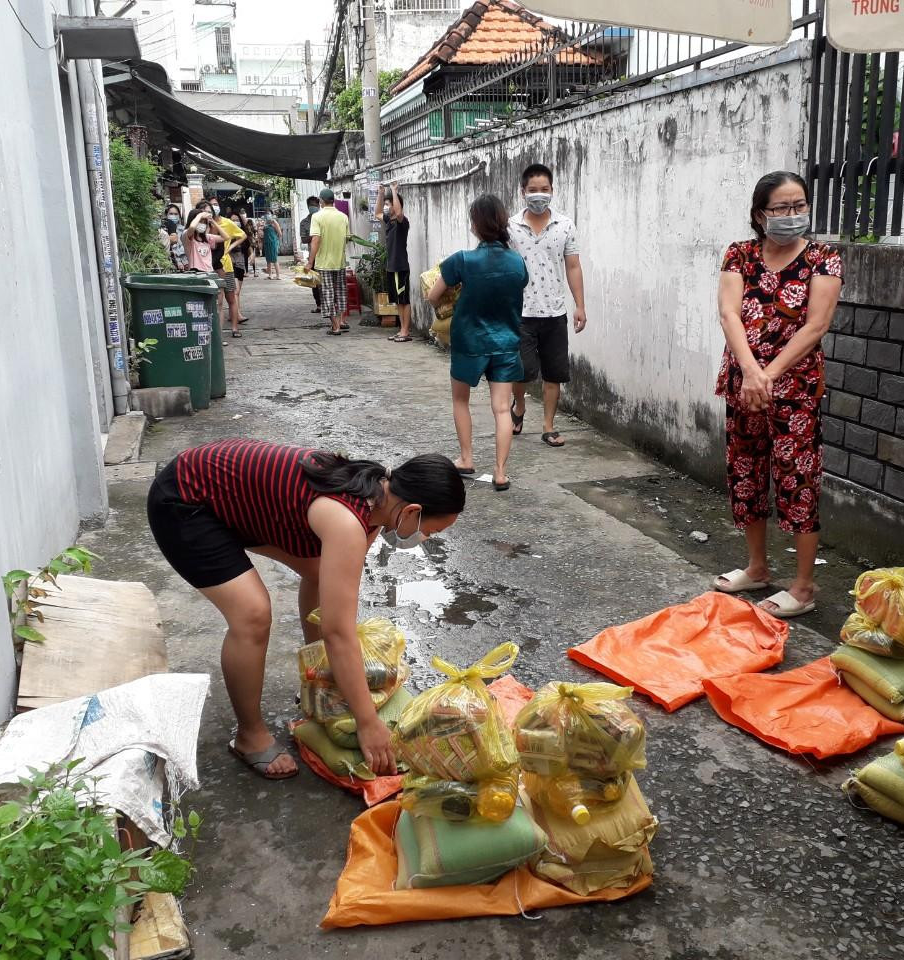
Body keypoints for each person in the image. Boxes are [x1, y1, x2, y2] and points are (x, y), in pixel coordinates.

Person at [147, 442, 466, 779]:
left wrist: (327, 681)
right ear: (412, 510)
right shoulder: (347, 521)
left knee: (319, 572)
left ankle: (317, 678)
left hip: (226, 498)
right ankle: (249, 736)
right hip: (185, 500)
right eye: (431, 531)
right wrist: (367, 721)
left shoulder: (377, 501)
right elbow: (338, 632)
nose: (425, 538)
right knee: (252, 615)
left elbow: (332, 599)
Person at [713, 171, 843, 619]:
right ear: (759, 214)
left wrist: (767, 374)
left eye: (799, 205)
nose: (792, 214)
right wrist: (751, 372)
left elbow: (816, 325)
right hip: (744, 385)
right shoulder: (740, 254)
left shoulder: (823, 258)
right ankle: (757, 567)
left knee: (797, 482)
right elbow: (729, 313)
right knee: (745, 474)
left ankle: (803, 587)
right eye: (782, 207)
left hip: (795, 390)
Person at [427, 194, 528, 492]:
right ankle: (500, 472)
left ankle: (467, 458)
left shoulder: (461, 260)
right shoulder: (517, 262)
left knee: (461, 401)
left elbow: (432, 296)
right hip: (505, 342)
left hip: (469, 341)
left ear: (475, 224)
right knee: (502, 409)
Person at [508, 163, 587, 449]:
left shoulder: (565, 225)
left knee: (554, 374)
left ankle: (549, 427)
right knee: (522, 371)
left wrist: (580, 305)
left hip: (555, 312)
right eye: (533, 190)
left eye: (544, 189)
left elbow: (573, 266)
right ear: (523, 192)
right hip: (521, 313)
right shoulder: (510, 227)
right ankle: (519, 405)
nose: (538, 195)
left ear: (552, 190)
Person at [306, 188, 351, 336]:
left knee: (327, 295)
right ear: (333, 201)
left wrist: (310, 262)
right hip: (340, 262)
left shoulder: (317, 217)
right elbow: (347, 238)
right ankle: (341, 321)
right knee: (340, 293)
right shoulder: (343, 217)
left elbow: (315, 240)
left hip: (324, 264)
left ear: (321, 201)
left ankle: (335, 326)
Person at [377, 181, 412, 343]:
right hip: (391, 267)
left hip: (400, 267)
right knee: (398, 302)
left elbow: (398, 213)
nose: (386, 207)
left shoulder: (402, 222)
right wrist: (380, 194)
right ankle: (401, 329)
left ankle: (405, 331)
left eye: (388, 204)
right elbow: (377, 213)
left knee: (404, 300)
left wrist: (394, 191)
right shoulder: (389, 221)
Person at [213, 198, 248, 335]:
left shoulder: (227, 223)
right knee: (219, 302)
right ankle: (219, 333)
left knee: (231, 298)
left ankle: (235, 328)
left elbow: (243, 235)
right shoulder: (205, 224)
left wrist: (230, 247)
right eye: (212, 205)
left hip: (226, 266)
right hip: (211, 266)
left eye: (216, 204)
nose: (214, 207)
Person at [182, 205, 223, 277]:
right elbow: (192, 227)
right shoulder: (187, 235)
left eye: (204, 222)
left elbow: (225, 237)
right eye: (200, 221)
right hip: (196, 272)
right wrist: (200, 215)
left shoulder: (206, 237)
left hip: (209, 271)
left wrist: (213, 221)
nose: (202, 224)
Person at [299, 195, 322, 314]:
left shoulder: (323, 219)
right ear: (308, 207)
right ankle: (319, 305)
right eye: (311, 205)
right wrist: (315, 237)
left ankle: (329, 304)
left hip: (325, 255)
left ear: (319, 206)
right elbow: (303, 239)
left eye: (315, 205)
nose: (313, 207)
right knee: (314, 282)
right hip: (313, 256)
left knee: (325, 281)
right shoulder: (304, 222)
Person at [230, 211, 251, 307]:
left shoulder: (242, 233)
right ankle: (237, 313)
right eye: (233, 220)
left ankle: (235, 312)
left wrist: (252, 255)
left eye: (237, 220)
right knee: (236, 291)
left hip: (241, 264)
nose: (235, 222)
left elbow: (248, 246)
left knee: (237, 292)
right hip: (230, 264)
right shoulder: (226, 233)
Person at [162, 203, 189, 271]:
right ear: (166, 215)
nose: (173, 216)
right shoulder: (163, 230)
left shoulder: (184, 230)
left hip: (185, 264)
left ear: (179, 216)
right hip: (168, 263)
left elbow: (185, 248)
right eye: (171, 214)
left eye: (176, 214)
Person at [261, 208, 283, 280]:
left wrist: (275, 240)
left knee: (274, 259)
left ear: (272, 215)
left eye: (269, 213)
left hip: (273, 242)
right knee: (268, 259)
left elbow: (280, 234)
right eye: (266, 214)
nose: (267, 215)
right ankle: (270, 275)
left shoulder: (274, 222)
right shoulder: (265, 223)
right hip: (266, 242)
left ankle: (278, 275)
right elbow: (262, 234)